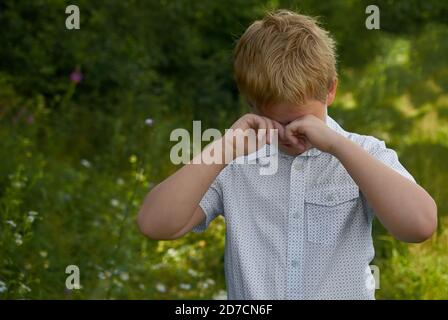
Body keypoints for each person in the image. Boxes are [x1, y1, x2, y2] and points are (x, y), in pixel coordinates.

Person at [137, 9, 437, 299]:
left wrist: (338, 147)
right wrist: (223, 148)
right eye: (279, 123)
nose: (292, 134)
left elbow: (419, 226)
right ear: (252, 105)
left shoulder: (363, 153)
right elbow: (155, 224)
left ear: (330, 90)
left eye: (303, 121)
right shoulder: (234, 162)